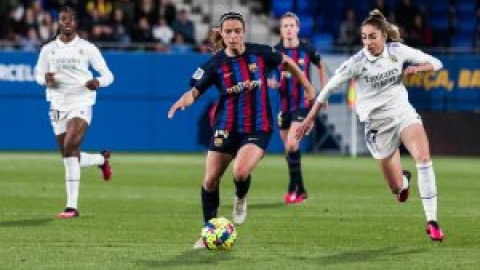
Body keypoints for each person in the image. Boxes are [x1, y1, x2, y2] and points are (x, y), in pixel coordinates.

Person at [167, 11, 316, 248]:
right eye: (228, 32)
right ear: (222, 35)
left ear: (243, 32)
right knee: (210, 180)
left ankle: (240, 197)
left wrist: (308, 87)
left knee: (240, 172)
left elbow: (287, 63)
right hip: (226, 126)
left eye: (237, 31)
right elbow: (194, 92)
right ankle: (208, 232)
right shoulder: (214, 64)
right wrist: (183, 101)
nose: (233, 36)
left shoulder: (260, 53)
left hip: (258, 126)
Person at [296, 9, 445, 242]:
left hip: (403, 114)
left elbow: (436, 63)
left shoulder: (397, 51)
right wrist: (309, 119)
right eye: (364, 37)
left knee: (424, 159)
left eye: (372, 36)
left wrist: (418, 68)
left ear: (384, 35)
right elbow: (327, 89)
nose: (367, 42)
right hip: (377, 127)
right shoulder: (357, 63)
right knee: (396, 188)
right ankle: (404, 182)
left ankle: (432, 221)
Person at [34, 6, 114, 218]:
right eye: (63, 19)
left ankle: (72, 207)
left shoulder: (87, 48)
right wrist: (45, 79)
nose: (67, 23)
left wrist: (97, 81)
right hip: (57, 103)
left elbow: (108, 75)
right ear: (58, 23)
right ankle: (100, 160)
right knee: (69, 155)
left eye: (70, 19)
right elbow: (37, 74)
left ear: (76, 23)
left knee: (70, 147)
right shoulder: (48, 49)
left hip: (81, 100)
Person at [268, 12, 327, 204]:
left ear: (298, 28)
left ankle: (294, 191)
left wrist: (323, 90)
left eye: (291, 25)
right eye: (285, 26)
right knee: (289, 149)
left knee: (292, 144)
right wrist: (271, 81)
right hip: (283, 106)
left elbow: (320, 66)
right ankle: (299, 188)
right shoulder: (275, 51)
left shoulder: (307, 49)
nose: (288, 29)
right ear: (281, 29)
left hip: (303, 104)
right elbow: (266, 73)